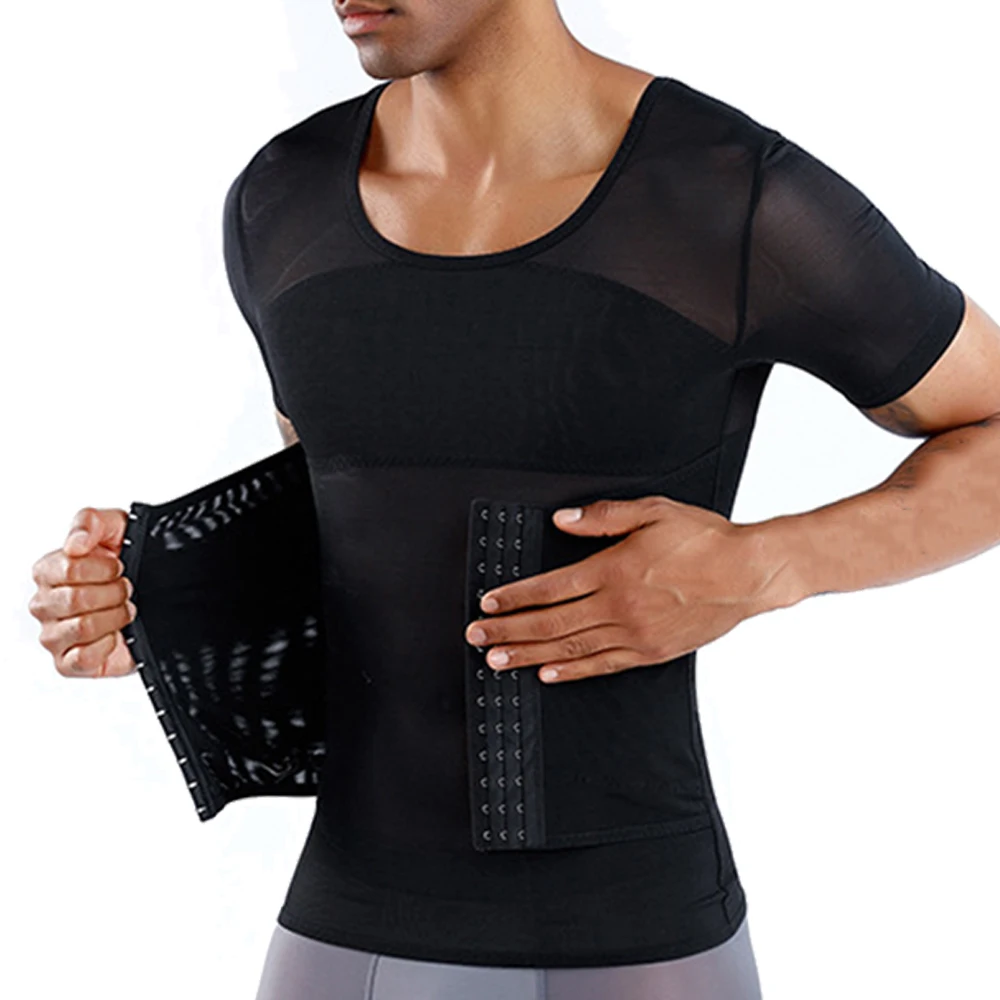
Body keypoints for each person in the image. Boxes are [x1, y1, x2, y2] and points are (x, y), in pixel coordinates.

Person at [27, 1, 1000, 998]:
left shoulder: (729, 196)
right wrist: (168, 600)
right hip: (346, 930)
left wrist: (767, 563)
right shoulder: (281, 202)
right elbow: (362, 537)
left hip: (641, 943)